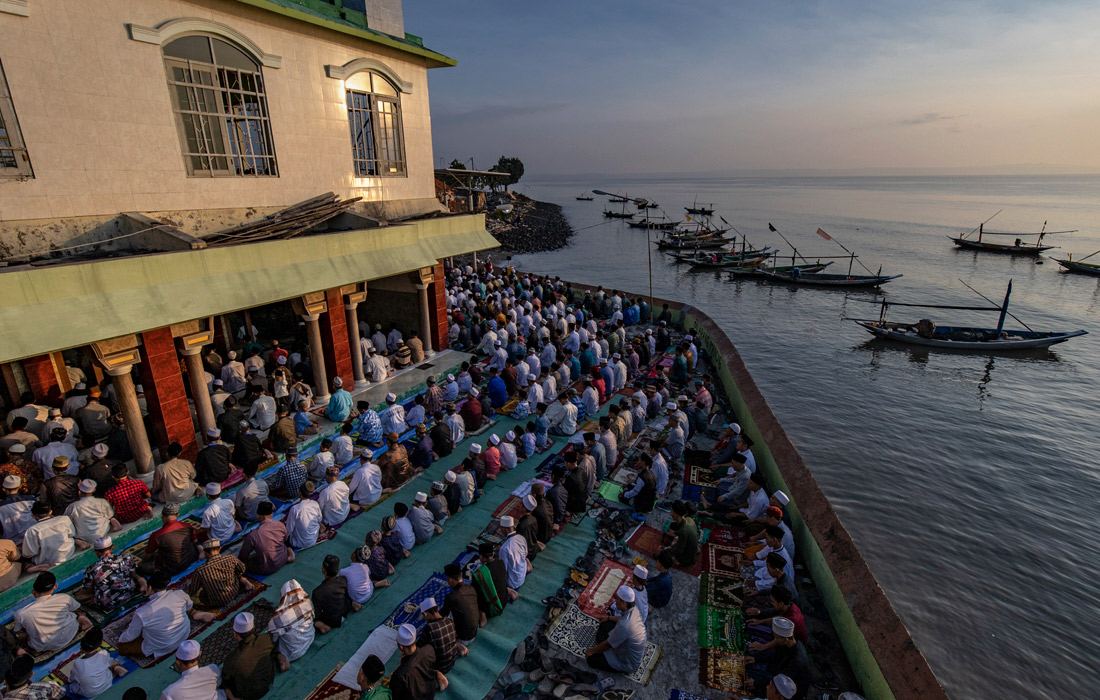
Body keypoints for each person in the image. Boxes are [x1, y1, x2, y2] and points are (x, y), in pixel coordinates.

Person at [14, 572, 91, 653]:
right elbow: (76, 608)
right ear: (55, 587)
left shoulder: (21, 614)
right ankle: (81, 619)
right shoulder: (64, 598)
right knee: (76, 613)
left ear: (33, 591)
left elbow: (18, 631)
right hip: (69, 633)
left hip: (41, 646)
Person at [585, 586, 646, 674]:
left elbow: (607, 645)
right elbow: (622, 618)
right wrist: (608, 617)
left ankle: (620, 668)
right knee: (606, 624)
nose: (615, 600)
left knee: (592, 659)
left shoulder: (624, 625)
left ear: (624, 603)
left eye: (616, 598)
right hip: (626, 645)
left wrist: (591, 651)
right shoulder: (634, 610)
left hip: (627, 662)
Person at [220, 612, 277, 700]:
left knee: (224, 680)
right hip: (266, 683)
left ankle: (231, 697)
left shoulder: (231, 659)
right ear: (253, 628)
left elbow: (225, 678)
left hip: (248, 694)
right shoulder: (266, 639)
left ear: (235, 634)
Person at [83, 536, 145, 610]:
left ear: (95, 552)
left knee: (79, 596)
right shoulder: (126, 558)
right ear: (112, 547)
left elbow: (87, 589)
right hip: (129, 593)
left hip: (106, 603)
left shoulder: (92, 569)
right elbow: (133, 574)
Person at [189, 539, 252, 609]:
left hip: (214, 602)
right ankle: (245, 582)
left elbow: (192, 590)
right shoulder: (231, 559)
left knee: (198, 596)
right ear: (219, 549)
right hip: (234, 592)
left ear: (205, 552)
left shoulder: (200, 570)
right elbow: (242, 569)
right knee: (238, 575)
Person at [267, 579, 315, 672]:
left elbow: (273, 639)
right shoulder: (307, 602)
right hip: (309, 639)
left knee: (270, 643)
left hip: (292, 652)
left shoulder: (278, 618)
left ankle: (281, 659)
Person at [139, 504, 200, 577]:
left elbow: (147, 556)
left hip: (171, 569)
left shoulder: (156, 535)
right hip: (190, 559)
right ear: (177, 514)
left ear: (162, 515)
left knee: (140, 566)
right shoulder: (187, 526)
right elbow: (195, 541)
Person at [390, 623, 446, 700]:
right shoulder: (429, 650)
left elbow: (395, 696)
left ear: (400, 646)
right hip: (429, 693)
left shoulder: (400, 675)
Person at [68, 625, 127, 697]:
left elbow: (71, 679)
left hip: (89, 694)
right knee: (110, 663)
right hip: (107, 683)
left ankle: (114, 669)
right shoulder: (104, 653)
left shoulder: (78, 663)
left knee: (73, 686)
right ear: (101, 643)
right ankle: (116, 667)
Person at [239, 501, 293, 575]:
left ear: (257, 515)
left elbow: (243, 556)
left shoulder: (253, 535)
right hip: (283, 559)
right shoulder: (280, 525)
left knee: (244, 562)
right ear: (271, 514)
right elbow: (285, 540)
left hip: (266, 568)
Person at [22, 500, 76, 571]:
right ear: (50, 512)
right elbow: (72, 534)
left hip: (46, 562)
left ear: (33, 516)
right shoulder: (64, 519)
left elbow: (28, 553)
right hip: (68, 553)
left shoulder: (32, 530)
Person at [312, 555, 360, 634]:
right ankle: (353, 604)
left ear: (323, 569)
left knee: (313, 619)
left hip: (331, 621)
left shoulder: (317, 592)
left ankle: (322, 626)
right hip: (345, 611)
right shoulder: (343, 580)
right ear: (337, 570)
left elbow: (317, 614)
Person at [65, 479, 119, 547]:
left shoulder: (73, 506)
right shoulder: (102, 502)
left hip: (83, 537)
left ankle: (78, 541)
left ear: (79, 492)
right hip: (103, 532)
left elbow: (67, 521)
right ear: (94, 490)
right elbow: (110, 515)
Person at [440, 563, 478, 653]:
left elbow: (441, 618)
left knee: (438, 628)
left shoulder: (451, 597)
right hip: (475, 632)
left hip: (462, 639)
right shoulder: (471, 588)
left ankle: (456, 645)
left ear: (450, 579)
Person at [472, 542, 510, 627]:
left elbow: (476, 595)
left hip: (491, 609)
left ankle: (483, 614)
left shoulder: (478, 574)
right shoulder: (501, 563)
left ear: (481, 556)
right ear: (493, 554)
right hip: (504, 600)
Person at [418, 598, 458, 674]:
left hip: (438, 668)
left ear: (426, 614)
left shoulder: (430, 627)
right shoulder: (450, 621)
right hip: (451, 662)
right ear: (437, 608)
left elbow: (418, 646)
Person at [657, 500, 700, 570]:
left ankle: (683, 560)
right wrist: (675, 533)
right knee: (675, 539)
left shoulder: (683, 531)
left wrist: (664, 550)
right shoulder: (689, 519)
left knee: (664, 556)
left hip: (687, 557)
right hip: (690, 545)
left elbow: (678, 550)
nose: (670, 514)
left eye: (671, 511)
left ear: (676, 514)